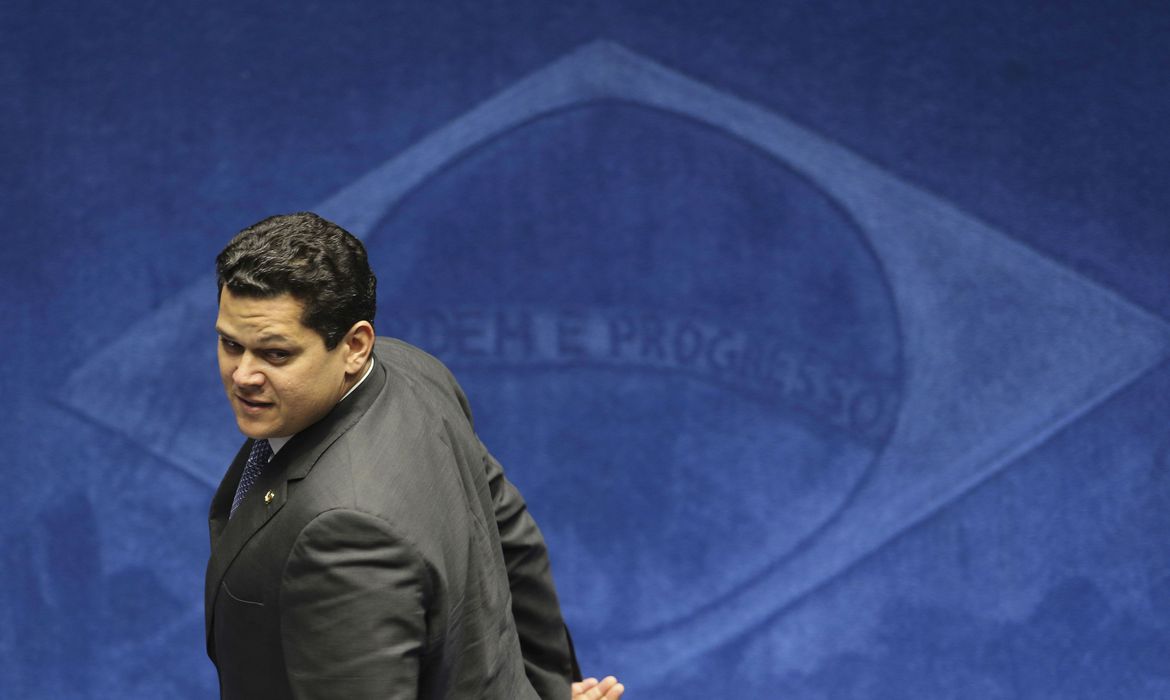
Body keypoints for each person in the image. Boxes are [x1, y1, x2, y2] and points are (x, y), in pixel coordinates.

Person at [204, 212, 624, 699]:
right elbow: (513, 541)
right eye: (230, 344)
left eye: (276, 354)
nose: (243, 375)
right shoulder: (413, 371)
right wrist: (549, 690)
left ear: (355, 346)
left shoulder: (342, 531)